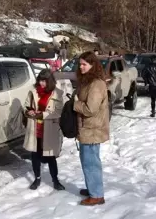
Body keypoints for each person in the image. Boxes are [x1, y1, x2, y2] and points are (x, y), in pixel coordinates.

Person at [73, 51, 109, 206]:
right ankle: (92, 187)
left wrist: (75, 103)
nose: (81, 67)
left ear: (93, 65)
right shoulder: (88, 81)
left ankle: (97, 195)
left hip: (92, 129)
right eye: (80, 64)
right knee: (87, 161)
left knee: (91, 163)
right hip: (86, 129)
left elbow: (90, 109)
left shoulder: (96, 84)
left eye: (84, 64)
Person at [23, 69, 65, 191]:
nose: (41, 83)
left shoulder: (57, 93)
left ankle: (55, 180)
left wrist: (42, 115)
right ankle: (37, 178)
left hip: (49, 129)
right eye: (40, 80)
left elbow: (58, 112)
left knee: (50, 156)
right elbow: (27, 106)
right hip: (35, 128)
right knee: (35, 155)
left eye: (44, 81)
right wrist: (28, 111)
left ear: (50, 81)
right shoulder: (33, 91)